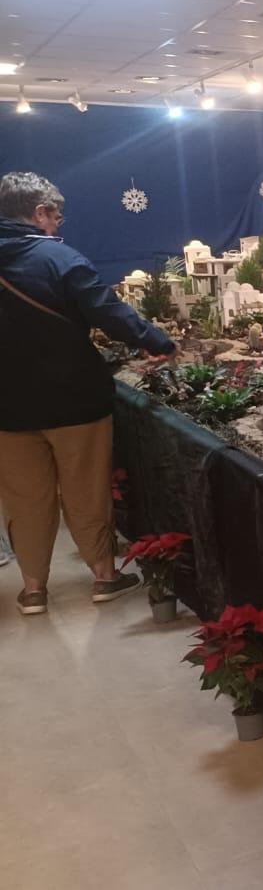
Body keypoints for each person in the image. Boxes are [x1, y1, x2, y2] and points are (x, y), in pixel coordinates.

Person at [0, 171, 174, 615]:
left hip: (7, 410)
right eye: (56, 216)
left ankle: (33, 590)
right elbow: (106, 311)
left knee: (23, 500)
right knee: (85, 490)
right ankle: (104, 576)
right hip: (74, 400)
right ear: (39, 213)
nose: (57, 224)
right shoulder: (59, 259)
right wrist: (157, 341)